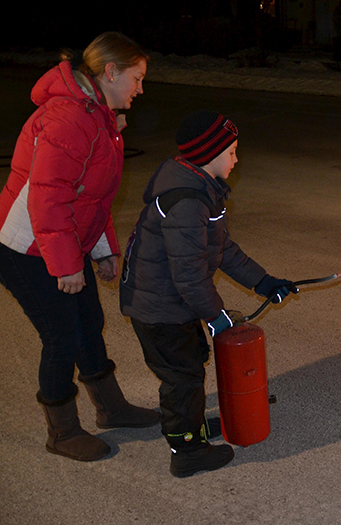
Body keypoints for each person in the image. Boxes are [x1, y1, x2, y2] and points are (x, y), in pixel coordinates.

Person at [0, 32, 160, 462]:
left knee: (89, 323)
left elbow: (93, 197)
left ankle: (112, 408)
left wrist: (103, 249)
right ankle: (63, 432)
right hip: (26, 247)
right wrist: (67, 266)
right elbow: (48, 199)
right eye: (137, 78)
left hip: (60, 242)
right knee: (62, 336)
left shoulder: (98, 116)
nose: (140, 89)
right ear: (110, 72)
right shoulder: (69, 118)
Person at [119, 110, 297, 478]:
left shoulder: (201, 188)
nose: (236, 159)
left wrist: (264, 282)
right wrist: (216, 316)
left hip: (172, 304)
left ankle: (193, 427)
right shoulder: (188, 202)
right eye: (231, 152)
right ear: (209, 155)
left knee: (191, 364)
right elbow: (189, 274)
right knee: (182, 378)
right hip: (158, 309)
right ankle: (187, 450)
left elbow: (222, 249)